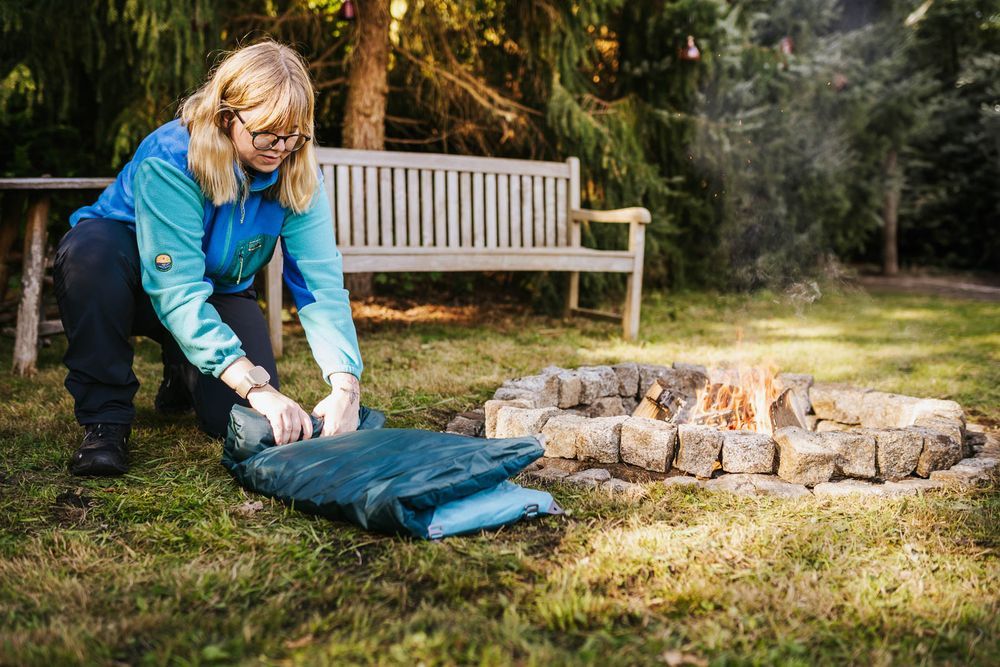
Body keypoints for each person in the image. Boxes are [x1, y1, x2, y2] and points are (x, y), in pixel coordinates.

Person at [54, 40, 364, 476]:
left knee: (238, 421)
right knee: (90, 254)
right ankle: (106, 419)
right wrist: (255, 385)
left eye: (293, 136)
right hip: (131, 279)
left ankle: (183, 369)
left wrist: (346, 386)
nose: (279, 148)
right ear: (226, 117)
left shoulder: (298, 169)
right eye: (266, 133)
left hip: (219, 289)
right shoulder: (171, 157)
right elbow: (176, 290)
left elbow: (320, 284)